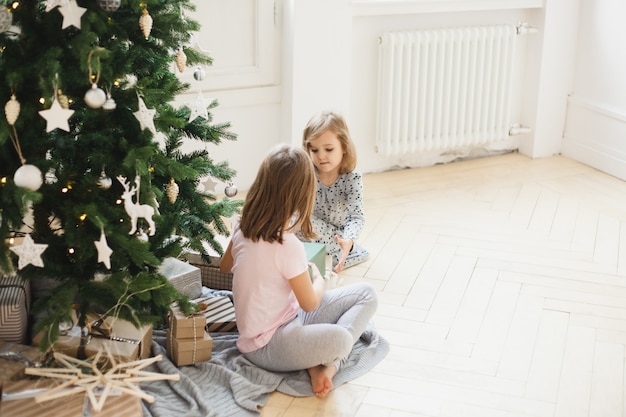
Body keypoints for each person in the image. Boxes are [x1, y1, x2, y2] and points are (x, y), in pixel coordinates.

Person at [219, 144, 378, 398]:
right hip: (266, 345)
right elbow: (310, 303)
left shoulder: (242, 226)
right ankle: (329, 367)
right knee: (343, 341)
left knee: (367, 293)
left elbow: (225, 266)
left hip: (289, 318)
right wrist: (319, 278)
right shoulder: (287, 245)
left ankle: (314, 364)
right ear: (302, 196)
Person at [301, 111, 369, 273]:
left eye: (329, 149)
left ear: (344, 147)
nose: (321, 156)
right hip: (306, 230)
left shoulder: (351, 179)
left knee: (302, 222)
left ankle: (341, 252)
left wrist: (348, 239)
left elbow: (356, 217)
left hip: (336, 238)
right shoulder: (306, 173)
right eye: (315, 150)